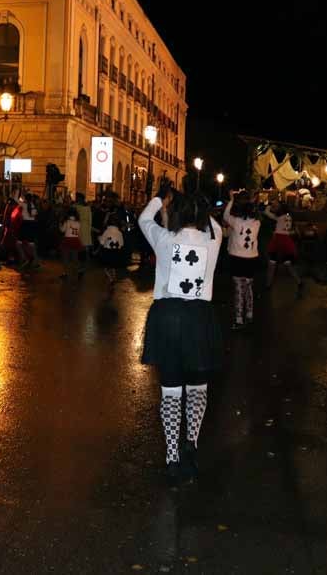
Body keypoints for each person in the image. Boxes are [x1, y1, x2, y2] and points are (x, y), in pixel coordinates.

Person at [138, 178, 223, 484]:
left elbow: (143, 219)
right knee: (198, 387)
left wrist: (161, 197)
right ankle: (192, 445)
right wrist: (200, 203)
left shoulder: (163, 239)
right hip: (200, 318)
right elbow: (214, 225)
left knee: (171, 389)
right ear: (202, 215)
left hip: (168, 316)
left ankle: (172, 456)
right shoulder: (213, 241)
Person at [224, 191, 261, 329]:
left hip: (237, 258)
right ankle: (250, 314)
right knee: (249, 286)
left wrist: (232, 199)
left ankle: (239, 319)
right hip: (251, 258)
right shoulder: (257, 223)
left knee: (239, 288)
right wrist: (252, 200)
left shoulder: (236, 222)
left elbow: (226, 216)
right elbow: (256, 210)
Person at [263, 201, 302, 293]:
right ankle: (299, 282)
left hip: (277, 241)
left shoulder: (279, 217)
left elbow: (266, 213)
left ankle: (268, 285)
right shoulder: (289, 217)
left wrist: (269, 204)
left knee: (271, 264)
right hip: (286, 242)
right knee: (288, 264)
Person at [98, 206, 128, 288]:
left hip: (107, 251)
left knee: (106, 267)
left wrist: (99, 238)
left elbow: (102, 241)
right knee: (113, 266)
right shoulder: (119, 232)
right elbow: (121, 244)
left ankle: (111, 279)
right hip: (116, 252)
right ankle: (113, 277)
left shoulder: (107, 231)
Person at [59, 206, 84, 280]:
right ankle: (79, 270)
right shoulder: (78, 223)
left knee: (65, 258)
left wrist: (60, 224)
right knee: (75, 258)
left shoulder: (67, 222)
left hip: (67, 240)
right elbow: (79, 233)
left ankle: (65, 273)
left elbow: (62, 230)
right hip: (75, 240)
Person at [17, 192, 40, 269]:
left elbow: (17, 200)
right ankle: (35, 261)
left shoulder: (24, 205)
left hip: (25, 224)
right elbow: (35, 215)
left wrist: (21, 193)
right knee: (31, 244)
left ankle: (24, 258)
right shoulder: (33, 206)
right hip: (32, 225)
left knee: (19, 243)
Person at [75, 192, 93, 275]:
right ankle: (84, 266)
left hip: (78, 228)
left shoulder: (76, 207)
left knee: (79, 248)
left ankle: (80, 266)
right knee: (84, 248)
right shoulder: (88, 208)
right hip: (85, 229)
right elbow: (90, 220)